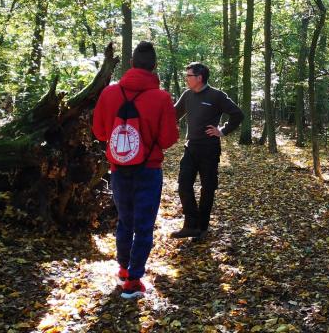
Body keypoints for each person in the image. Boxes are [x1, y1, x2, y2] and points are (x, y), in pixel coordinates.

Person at [92, 41, 179, 299]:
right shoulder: (162, 98)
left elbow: (98, 132)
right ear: (154, 66)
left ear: (131, 64)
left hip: (118, 168)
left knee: (124, 221)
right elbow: (167, 139)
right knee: (143, 225)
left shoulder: (108, 94)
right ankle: (133, 281)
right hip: (148, 170)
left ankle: (122, 269)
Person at [170, 62, 244, 240]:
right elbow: (173, 115)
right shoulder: (187, 95)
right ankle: (190, 225)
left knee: (207, 188)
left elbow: (238, 114)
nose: (186, 79)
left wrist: (222, 131)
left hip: (209, 149)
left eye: (189, 76)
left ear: (199, 78)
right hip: (191, 147)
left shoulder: (216, 96)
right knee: (184, 185)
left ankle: (202, 227)